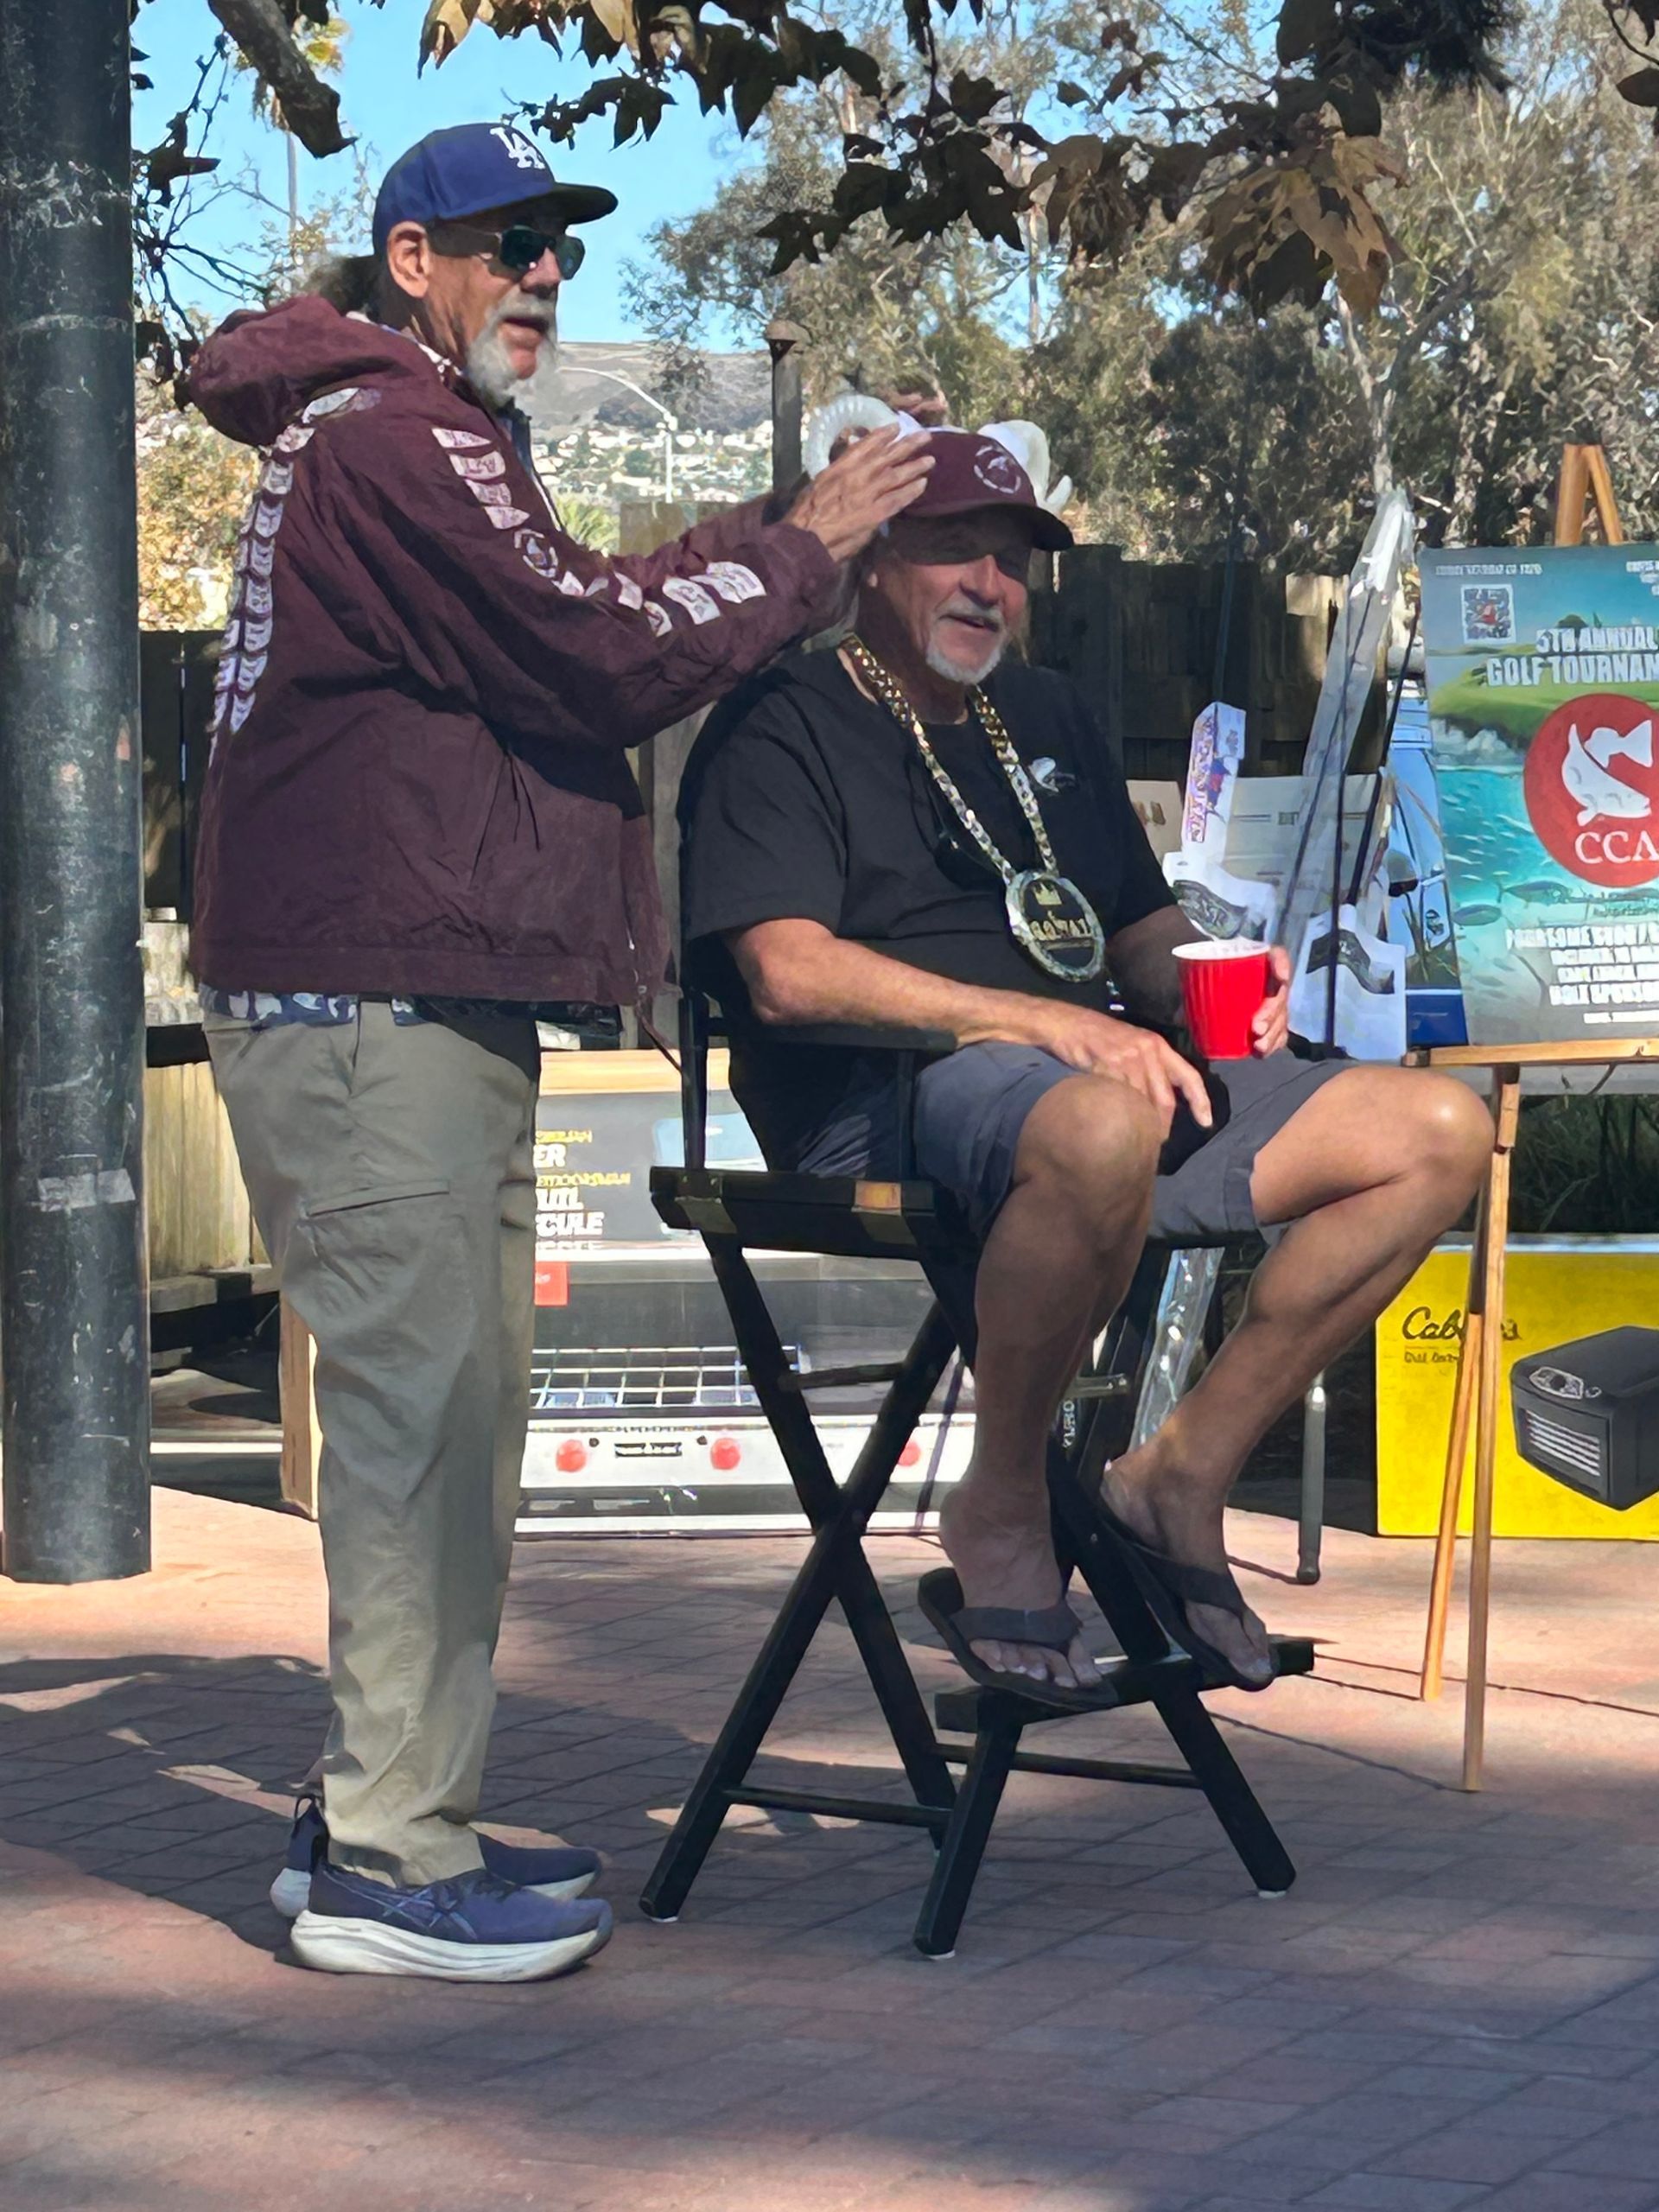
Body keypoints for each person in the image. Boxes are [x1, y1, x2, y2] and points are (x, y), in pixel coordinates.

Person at [188, 122, 932, 1982]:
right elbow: (596, 651)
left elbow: (583, 612)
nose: (543, 275)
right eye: (513, 243)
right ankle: (384, 1855)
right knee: (426, 1433)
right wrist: (810, 547)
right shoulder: (397, 436)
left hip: (395, 996)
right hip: (374, 1004)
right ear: (413, 257)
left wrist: (776, 544)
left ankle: (381, 1806)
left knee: (444, 1426)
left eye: (563, 249)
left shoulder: (400, 438)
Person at [679, 421, 1493, 1705]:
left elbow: (1136, 932)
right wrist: (1049, 1025)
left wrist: (1209, 974)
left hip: (1101, 1087)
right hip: (879, 1100)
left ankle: (1178, 1474)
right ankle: (1003, 1501)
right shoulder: (785, 720)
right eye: (954, 550)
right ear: (871, 560)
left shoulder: (1044, 711)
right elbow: (787, 971)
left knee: (1436, 1132)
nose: (987, 586)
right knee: (1099, 1121)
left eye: (1011, 560)